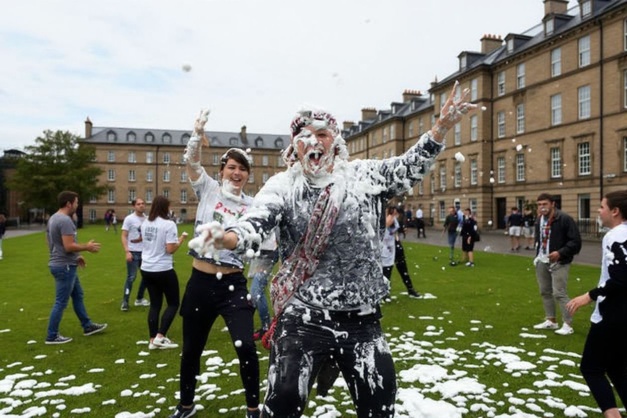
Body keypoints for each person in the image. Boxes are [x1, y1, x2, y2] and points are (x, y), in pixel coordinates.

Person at [192, 82, 475, 418]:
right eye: (305, 135)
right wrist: (227, 238)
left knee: (380, 400)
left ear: (336, 142)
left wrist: (439, 128)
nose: (314, 141)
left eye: (322, 134)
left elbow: (407, 168)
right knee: (283, 400)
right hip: (303, 316)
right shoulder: (283, 185)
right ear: (294, 148)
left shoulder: (363, 177)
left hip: (362, 319)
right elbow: (257, 221)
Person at [169, 111, 260, 418]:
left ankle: (252, 409)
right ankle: (185, 405)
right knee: (191, 349)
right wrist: (196, 135)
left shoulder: (252, 206)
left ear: (248, 174)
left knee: (246, 347)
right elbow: (191, 163)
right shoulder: (208, 189)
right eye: (232, 167)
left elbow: (255, 238)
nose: (237, 173)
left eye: (242, 169)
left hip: (233, 285)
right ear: (222, 170)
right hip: (200, 283)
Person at [566, 190, 627, 418]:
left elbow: (620, 278)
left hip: (613, 315)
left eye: (601, 207)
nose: (598, 211)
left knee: (591, 368)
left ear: (615, 211)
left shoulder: (615, 236)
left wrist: (589, 296)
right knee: (616, 369)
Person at [45, 191, 107, 344]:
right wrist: (87, 247)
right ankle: (51, 336)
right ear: (69, 203)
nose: (77, 205)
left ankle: (87, 326)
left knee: (78, 295)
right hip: (64, 267)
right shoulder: (65, 220)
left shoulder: (53, 218)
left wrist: (76, 256)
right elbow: (68, 246)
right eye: (76, 203)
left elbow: (52, 244)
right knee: (61, 302)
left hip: (63, 263)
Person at [140, 195, 187, 350]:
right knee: (173, 303)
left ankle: (152, 339)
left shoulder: (145, 222)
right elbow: (170, 249)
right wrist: (181, 240)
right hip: (163, 268)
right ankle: (161, 336)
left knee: (155, 304)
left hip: (147, 267)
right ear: (165, 208)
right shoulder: (168, 224)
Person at [532, 192, 582, 336]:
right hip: (542, 259)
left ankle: (568, 324)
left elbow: (576, 242)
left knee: (559, 293)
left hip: (559, 261)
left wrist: (560, 253)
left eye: (545, 204)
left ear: (553, 204)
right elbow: (540, 240)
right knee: (545, 291)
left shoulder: (564, 219)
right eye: (539, 205)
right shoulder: (539, 219)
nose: (542, 207)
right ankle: (551, 321)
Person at [248, 228, 279, 341]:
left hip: (269, 252)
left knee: (256, 292)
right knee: (253, 292)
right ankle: (245, 323)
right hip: (258, 250)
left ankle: (266, 327)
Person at [120, 198, 150, 311]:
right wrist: (127, 251)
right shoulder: (129, 219)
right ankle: (125, 302)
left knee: (147, 277)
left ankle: (140, 298)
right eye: (138, 204)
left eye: (143, 204)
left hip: (146, 253)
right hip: (133, 251)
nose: (141, 206)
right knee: (131, 277)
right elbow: (124, 235)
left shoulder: (147, 219)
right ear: (134, 206)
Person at [389, 207, 421, 298]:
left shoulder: (396, 221)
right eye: (394, 213)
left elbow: (397, 231)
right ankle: (385, 292)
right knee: (387, 271)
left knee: (403, 269)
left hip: (396, 246)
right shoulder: (387, 221)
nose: (396, 215)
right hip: (388, 249)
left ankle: (410, 288)